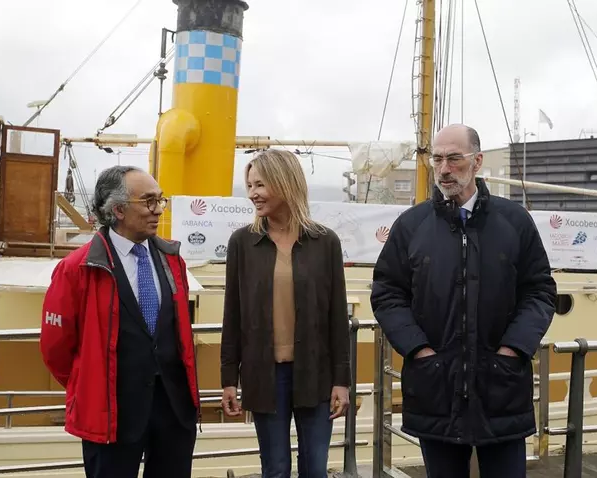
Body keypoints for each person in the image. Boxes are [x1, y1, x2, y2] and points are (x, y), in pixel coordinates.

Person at [370, 124, 557, 477]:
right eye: (437, 159)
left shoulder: (515, 222)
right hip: (436, 391)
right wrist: (419, 350)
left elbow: (539, 291)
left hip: (501, 390)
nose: (444, 169)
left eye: (454, 158)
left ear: (477, 161)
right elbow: (387, 293)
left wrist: (514, 349)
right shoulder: (411, 225)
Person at [40, 165, 200, 478]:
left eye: (160, 200)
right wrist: (91, 383)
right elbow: (56, 349)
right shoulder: (77, 268)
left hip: (173, 408)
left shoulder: (172, 260)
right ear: (118, 210)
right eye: (149, 201)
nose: (158, 210)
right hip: (111, 413)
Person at [220, 149, 352, 478]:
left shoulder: (326, 242)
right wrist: (228, 380)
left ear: (285, 183)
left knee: (315, 469)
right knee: (276, 469)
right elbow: (232, 315)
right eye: (250, 185)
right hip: (264, 375)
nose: (253, 194)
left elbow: (338, 317)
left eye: (260, 185)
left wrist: (342, 381)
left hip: (316, 374)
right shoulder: (241, 243)